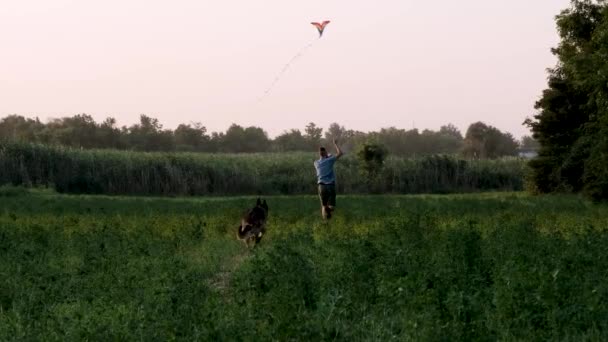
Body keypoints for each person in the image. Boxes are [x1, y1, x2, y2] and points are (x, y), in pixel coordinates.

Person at [314, 139, 343, 219]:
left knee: (323, 205)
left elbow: (325, 158)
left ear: (319, 154)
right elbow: (340, 153)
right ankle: (329, 210)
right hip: (330, 185)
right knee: (332, 207)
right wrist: (335, 144)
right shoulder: (329, 160)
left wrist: (327, 155)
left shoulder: (316, 163)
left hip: (321, 186)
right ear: (325, 153)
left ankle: (325, 222)